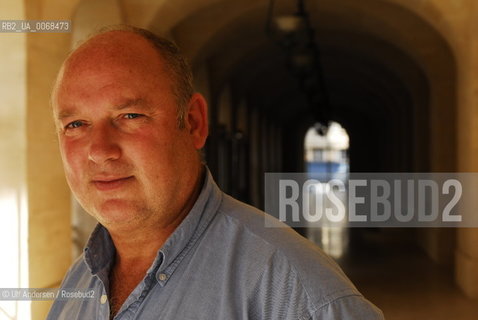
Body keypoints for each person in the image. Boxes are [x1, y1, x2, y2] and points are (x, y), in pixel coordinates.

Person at [47, 25, 384, 320]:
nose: (100, 150)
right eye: (75, 124)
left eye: (130, 116)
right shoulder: (79, 282)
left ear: (194, 123)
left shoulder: (293, 290)